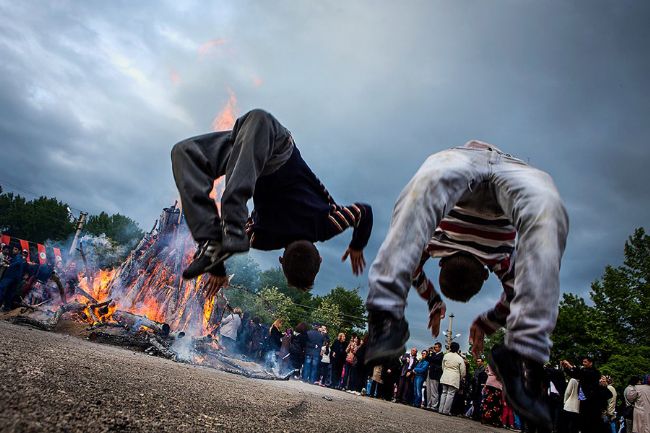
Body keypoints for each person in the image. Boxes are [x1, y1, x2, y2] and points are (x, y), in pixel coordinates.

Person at [365, 140, 569, 428]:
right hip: (506, 168)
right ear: (486, 273)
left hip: (465, 160)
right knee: (548, 209)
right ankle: (524, 355)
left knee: (422, 190)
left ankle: (385, 314)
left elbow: (514, 295)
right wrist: (484, 323)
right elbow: (412, 267)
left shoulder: (497, 258)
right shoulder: (439, 245)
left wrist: (438, 303)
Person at [171, 109, 373, 292]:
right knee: (258, 122)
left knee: (184, 153)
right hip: (275, 149)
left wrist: (357, 245)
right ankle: (217, 248)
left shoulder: (329, 225)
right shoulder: (263, 239)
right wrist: (218, 271)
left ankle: (212, 243)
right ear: (281, 260)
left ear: (319, 258)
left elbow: (364, 212)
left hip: (248, 157)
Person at [562, 357, 612, 433]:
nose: (583, 364)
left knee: (591, 423)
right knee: (583, 423)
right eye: (583, 362)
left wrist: (570, 365)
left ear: (590, 363)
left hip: (591, 402)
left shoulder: (595, 372)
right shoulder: (583, 371)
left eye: (585, 362)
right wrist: (565, 368)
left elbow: (582, 374)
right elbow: (575, 375)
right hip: (583, 401)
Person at [438, 342, 466, 415]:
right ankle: (446, 411)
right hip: (454, 377)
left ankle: (440, 409)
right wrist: (461, 377)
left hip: (445, 375)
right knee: (450, 394)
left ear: (450, 347)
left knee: (444, 392)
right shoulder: (459, 358)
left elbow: (443, 366)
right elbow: (463, 371)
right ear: (458, 349)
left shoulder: (446, 355)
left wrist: (445, 371)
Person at [425, 342, 444, 411]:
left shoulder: (441, 355)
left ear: (440, 348)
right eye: (434, 347)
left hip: (435, 375)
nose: (435, 348)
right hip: (429, 373)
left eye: (436, 347)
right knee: (428, 390)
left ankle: (434, 406)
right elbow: (427, 359)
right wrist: (428, 351)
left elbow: (436, 360)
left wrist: (432, 353)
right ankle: (428, 405)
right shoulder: (433, 354)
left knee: (434, 391)